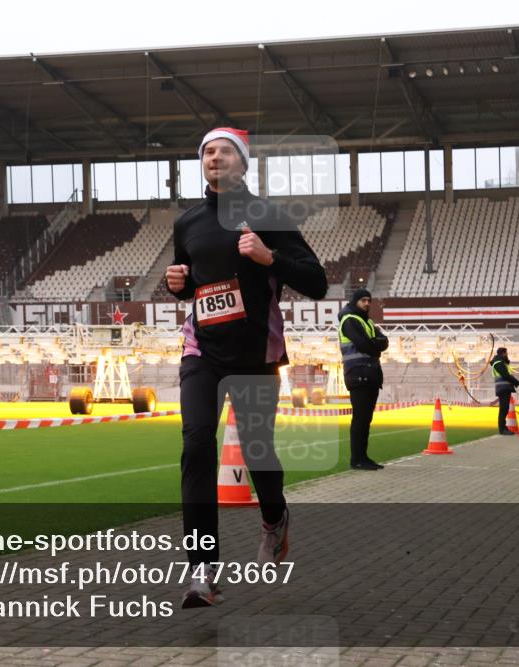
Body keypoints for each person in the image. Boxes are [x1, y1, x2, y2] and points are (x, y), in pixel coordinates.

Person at [166, 127, 328, 608]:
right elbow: (188, 280)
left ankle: (275, 520)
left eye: (224, 151)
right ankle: (203, 568)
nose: (214, 158)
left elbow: (317, 282)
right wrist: (176, 283)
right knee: (196, 443)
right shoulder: (187, 223)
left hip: (255, 353)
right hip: (202, 351)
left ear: (243, 162)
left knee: (258, 452)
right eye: (207, 152)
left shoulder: (269, 216)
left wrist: (269, 257)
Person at [338, 288, 388, 470]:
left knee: (365, 419)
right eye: (363, 300)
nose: (367, 303)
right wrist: (375, 346)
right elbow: (365, 344)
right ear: (355, 301)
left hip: (370, 374)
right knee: (360, 418)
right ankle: (357, 459)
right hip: (358, 373)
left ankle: (363, 457)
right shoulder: (349, 320)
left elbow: (385, 341)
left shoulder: (367, 321)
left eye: (369, 300)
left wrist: (374, 345)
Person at [490, 347, 519, 435]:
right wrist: (516, 382)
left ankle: (504, 427)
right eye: (506, 353)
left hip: (504, 388)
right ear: (503, 353)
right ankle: (502, 429)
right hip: (503, 388)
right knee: (503, 409)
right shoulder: (498, 363)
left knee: (505, 409)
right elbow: (506, 375)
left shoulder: (501, 363)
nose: (507, 355)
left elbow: (506, 375)